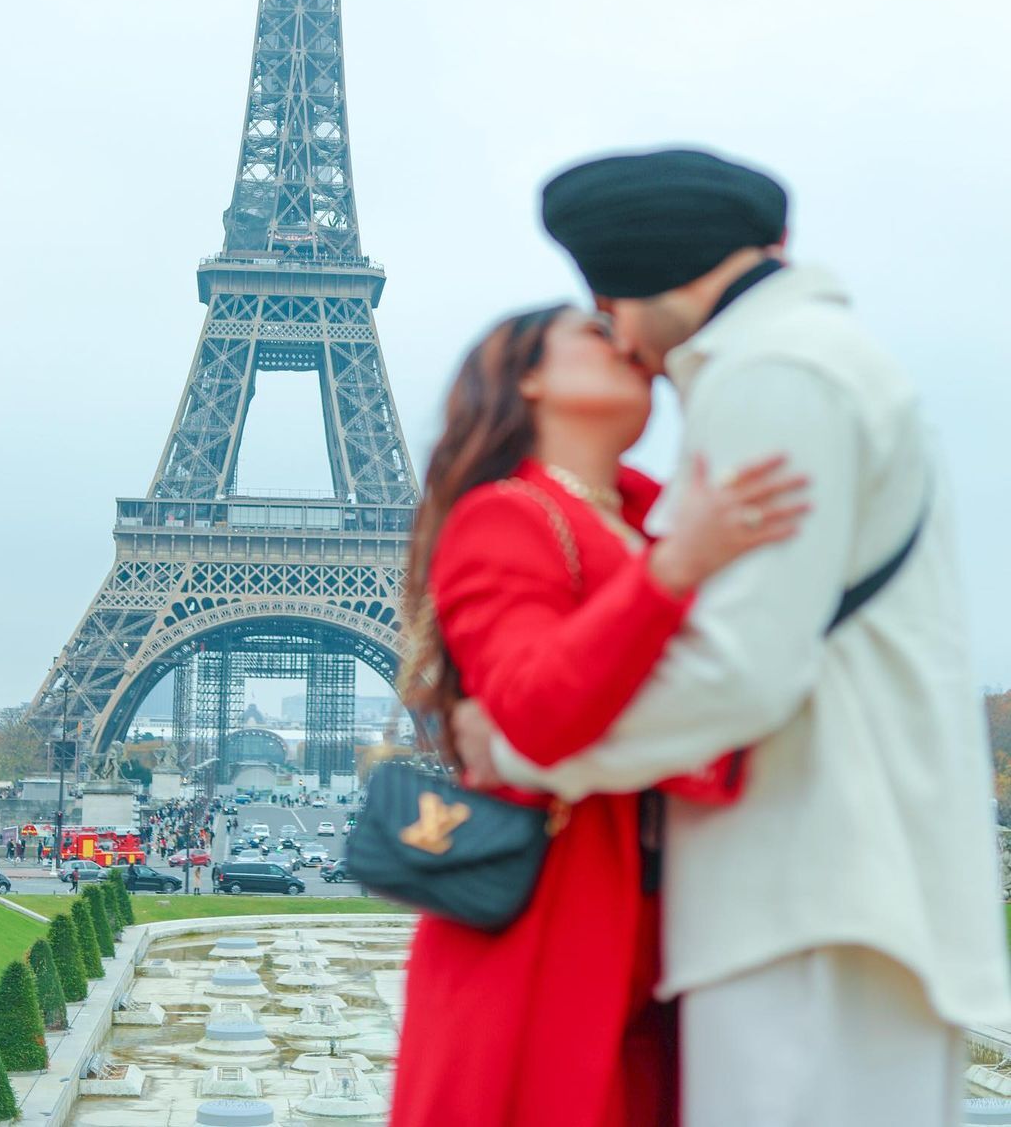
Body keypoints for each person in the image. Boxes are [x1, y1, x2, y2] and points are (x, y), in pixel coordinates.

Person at [453, 148, 1011, 1127]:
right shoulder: (814, 362)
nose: (621, 336)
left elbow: (736, 672)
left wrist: (514, 749)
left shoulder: (772, 375)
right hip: (828, 894)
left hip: (807, 895)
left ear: (643, 268)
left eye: (605, 299)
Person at [389, 304, 808, 1127]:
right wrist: (679, 564)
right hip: (549, 926)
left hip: (654, 922)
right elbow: (537, 713)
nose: (626, 343)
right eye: (592, 332)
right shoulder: (506, 514)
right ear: (529, 378)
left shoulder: (658, 518)